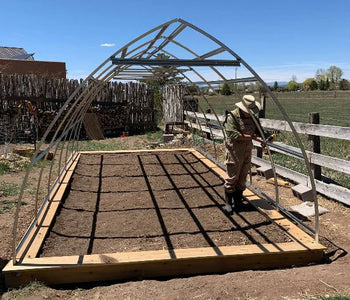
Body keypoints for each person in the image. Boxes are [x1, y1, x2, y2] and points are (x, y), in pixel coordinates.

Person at [223, 94, 263, 215]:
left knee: (243, 175)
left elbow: (259, 130)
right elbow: (232, 134)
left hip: (247, 149)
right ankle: (228, 203)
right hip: (234, 149)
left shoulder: (253, 118)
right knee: (232, 175)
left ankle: (238, 202)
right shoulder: (232, 117)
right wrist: (252, 137)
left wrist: (264, 137)